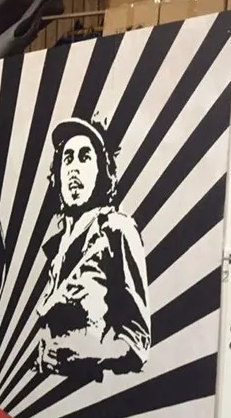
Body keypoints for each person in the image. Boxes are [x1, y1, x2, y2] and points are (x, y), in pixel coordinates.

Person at [34, 117, 151, 382]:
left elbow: (138, 342)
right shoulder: (56, 249)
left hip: (93, 392)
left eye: (85, 157)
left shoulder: (117, 230)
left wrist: (89, 355)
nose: (74, 169)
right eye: (67, 159)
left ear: (102, 171)